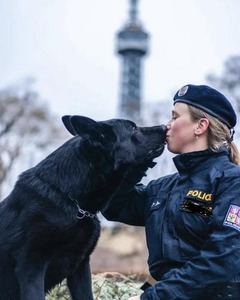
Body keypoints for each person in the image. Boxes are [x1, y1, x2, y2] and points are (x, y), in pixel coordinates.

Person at [102, 84, 240, 300]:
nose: (167, 125)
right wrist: (138, 159)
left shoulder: (231, 181)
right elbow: (113, 206)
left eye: (175, 117)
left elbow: (223, 258)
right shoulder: (161, 188)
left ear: (200, 126)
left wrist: (154, 298)